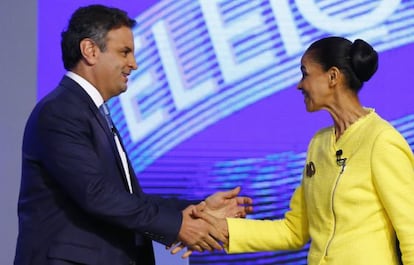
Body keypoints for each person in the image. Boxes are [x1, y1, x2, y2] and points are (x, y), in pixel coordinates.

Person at [14, 4, 253, 265]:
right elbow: (96, 194)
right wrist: (178, 226)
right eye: (124, 52)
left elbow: (128, 199)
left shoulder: (90, 112)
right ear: (90, 50)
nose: (134, 64)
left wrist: (198, 209)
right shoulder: (61, 110)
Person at [178, 36, 414, 264]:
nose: (300, 84)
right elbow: (293, 231)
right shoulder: (319, 144)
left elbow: (411, 231)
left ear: (333, 76)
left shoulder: (381, 140)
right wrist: (221, 228)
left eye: (305, 73)